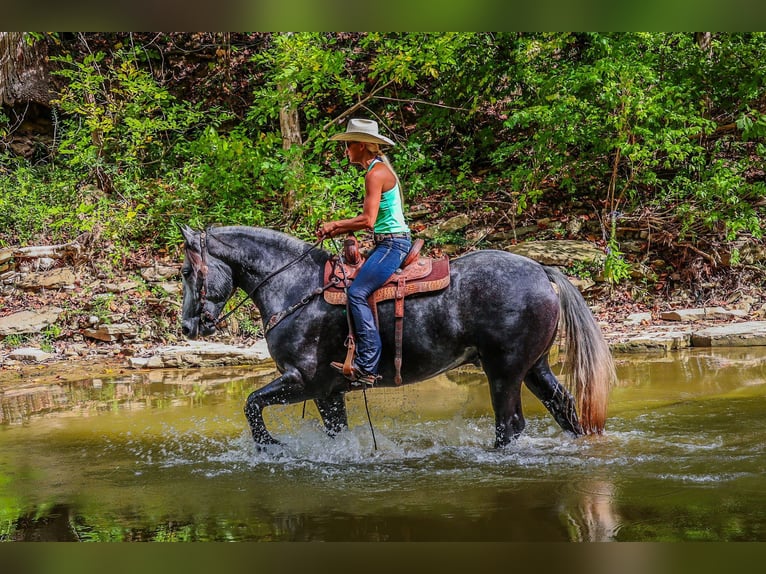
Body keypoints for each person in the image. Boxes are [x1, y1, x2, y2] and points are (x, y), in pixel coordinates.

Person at [317, 118, 412, 385]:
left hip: (393, 244)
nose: (345, 150)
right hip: (387, 241)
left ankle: (367, 362)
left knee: (357, 292)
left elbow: (368, 220)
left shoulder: (375, 173)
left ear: (361, 145)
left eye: (348, 145)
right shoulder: (376, 170)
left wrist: (335, 225)